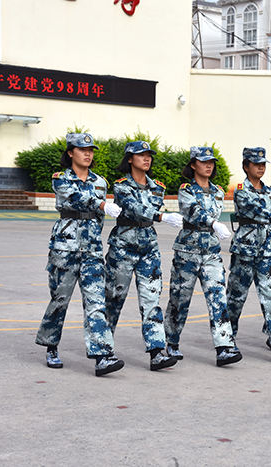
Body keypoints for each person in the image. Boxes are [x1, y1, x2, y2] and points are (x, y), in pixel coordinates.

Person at [35, 133, 125, 376]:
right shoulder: (61, 179)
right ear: (70, 153)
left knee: (96, 302)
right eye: (82, 149)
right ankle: (51, 346)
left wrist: (93, 233)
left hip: (92, 250)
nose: (88, 154)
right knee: (60, 300)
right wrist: (102, 204)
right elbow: (76, 198)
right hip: (64, 247)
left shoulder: (100, 182)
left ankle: (102, 356)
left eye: (91, 150)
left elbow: (99, 218)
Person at [104, 141, 183, 371]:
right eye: (141, 155)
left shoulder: (157, 187)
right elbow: (134, 208)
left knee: (151, 301)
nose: (146, 159)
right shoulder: (121, 186)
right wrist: (161, 217)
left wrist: (158, 217)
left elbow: (148, 211)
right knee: (113, 299)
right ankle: (104, 349)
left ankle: (156, 352)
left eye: (149, 155)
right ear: (130, 159)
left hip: (148, 248)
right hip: (123, 247)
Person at [163, 147, 242, 367]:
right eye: (204, 161)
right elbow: (193, 211)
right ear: (193, 164)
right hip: (187, 252)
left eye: (211, 162)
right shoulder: (186, 190)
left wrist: (214, 226)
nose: (209, 165)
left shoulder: (217, 191)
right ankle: (171, 342)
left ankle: (224, 347)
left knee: (218, 298)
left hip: (211, 252)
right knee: (180, 300)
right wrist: (214, 223)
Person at [225, 147, 271, 361]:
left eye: (263, 164)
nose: (260, 167)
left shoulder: (269, 191)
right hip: (245, 250)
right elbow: (255, 211)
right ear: (245, 166)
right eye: (255, 164)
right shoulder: (241, 190)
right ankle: (227, 341)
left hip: (266, 251)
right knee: (235, 298)